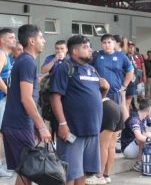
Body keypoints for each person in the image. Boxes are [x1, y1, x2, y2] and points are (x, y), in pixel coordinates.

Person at [50, 35, 104, 185]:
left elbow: (94, 97)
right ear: (74, 50)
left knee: (84, 172)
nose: (90, 50)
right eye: (85, 47)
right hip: (72, 130)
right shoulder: (65, 68)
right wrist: (62, 124)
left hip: (92, 129)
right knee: (70, 174)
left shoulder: (92, 70)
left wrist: (105, 89)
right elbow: (55, 98)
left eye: (89, 47)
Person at [2, 24, 51, 185]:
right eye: (41, 38)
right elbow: (26, 98)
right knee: (27, 172)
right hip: (18, 125)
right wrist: (42, 126)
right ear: (31, 41)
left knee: (26, 172)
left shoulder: (24, 60)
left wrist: (35, 125)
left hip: (19, 124)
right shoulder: (27, 62)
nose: (44, 41)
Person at [89, 81, 125, 185]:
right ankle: (106, 175)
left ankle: (99, 176)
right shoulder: (108, 98)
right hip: (116, 108)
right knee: (111, 146)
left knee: (103, 146)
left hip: (108, 111)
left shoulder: (97, 97)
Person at [92, 34, 134, 105]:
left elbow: (130, 70)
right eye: (104, 43)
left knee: (115, 114)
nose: (107, 45)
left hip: (115, 93)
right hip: (99, 92)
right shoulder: (96, 55)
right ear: (101, 44)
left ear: (114, 43)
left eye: (109, 42)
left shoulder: (121, 56)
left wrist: (124, 86)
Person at [0, 28, 16, 178]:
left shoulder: (7, 56)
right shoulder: (1, 54)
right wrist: (8, 93)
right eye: (11, 37)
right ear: (2, 40)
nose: (14, 39)